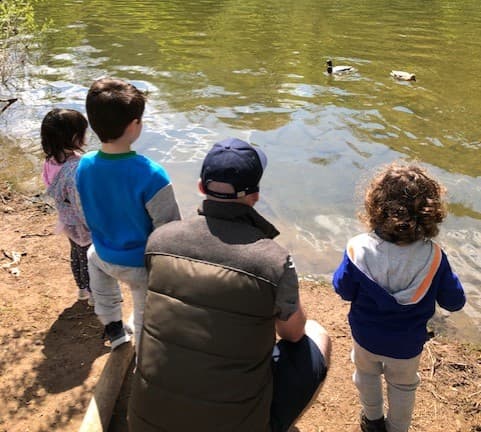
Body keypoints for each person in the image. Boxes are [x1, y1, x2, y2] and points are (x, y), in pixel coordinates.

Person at [128, 137, 331, 432]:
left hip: (144, 422)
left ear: (200, 187)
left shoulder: (159, 240)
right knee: (316, 336)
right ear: (255, 196)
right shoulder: (272, 259)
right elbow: (293, 333)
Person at [332, 162, 465, 432]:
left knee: (366, 375)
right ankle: (397, 428)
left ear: (376, 207)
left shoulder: (359, 249)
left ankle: (372, 420)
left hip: (366, 336)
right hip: (407, 344)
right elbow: (455, 301)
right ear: (430, 213)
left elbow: (343, 289)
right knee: (404, 386)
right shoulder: (434, 257)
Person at [76, 77, 181, 352]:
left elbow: (84, 208)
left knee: (93, 261)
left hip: (104, 254)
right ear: (135, 125)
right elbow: (169, 230)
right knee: (147, 311)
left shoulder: (84, 165)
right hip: (140, 265)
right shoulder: (151, 174)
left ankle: (113, 327)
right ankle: (144, 355)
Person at [41, 108, 93, 305]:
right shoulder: (77, 166)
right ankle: (93, 294)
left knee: (76, 254)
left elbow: (49, 185)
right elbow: (81, 201)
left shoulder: (50, 161)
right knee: (89, 257)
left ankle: (82, 290)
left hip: (66, 219)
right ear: (74, 137)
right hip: (82, 222)